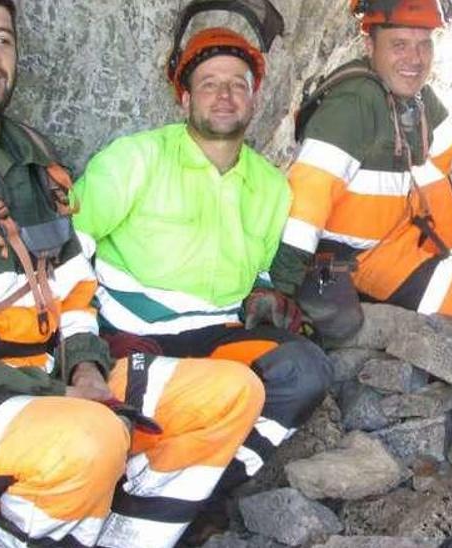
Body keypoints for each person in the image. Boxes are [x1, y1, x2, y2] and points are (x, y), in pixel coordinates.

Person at [0, 1, 264, 546]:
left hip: (50, 384)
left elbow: (77, 292)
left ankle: (126, 538)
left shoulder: (33, 160)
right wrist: (46, 390)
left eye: (2, 39)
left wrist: (84, 368)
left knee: (233, 392)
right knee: (90, 438)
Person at [69, 20, 333, 509]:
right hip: (130, 337)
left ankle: (203, 487)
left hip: (215, 335)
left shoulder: (270, 186)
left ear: (254, 100)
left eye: (238, 84)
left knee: (305, 370)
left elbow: (259, 270)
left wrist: (263, 292)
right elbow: (69, 249)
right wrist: (79, 347)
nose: (225, 95)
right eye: (209, 84)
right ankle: (136, 481)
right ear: (185, 99)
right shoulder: (135, 159)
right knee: (122, 412)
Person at [268, 0, 452, 325]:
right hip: (363, 254)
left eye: (423, 45)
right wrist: (282, 286)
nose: (414, 59)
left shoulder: (416, 97)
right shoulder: (353, 103)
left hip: (399, 225)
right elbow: (310, 193)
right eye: (399, 45)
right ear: (369, 45)